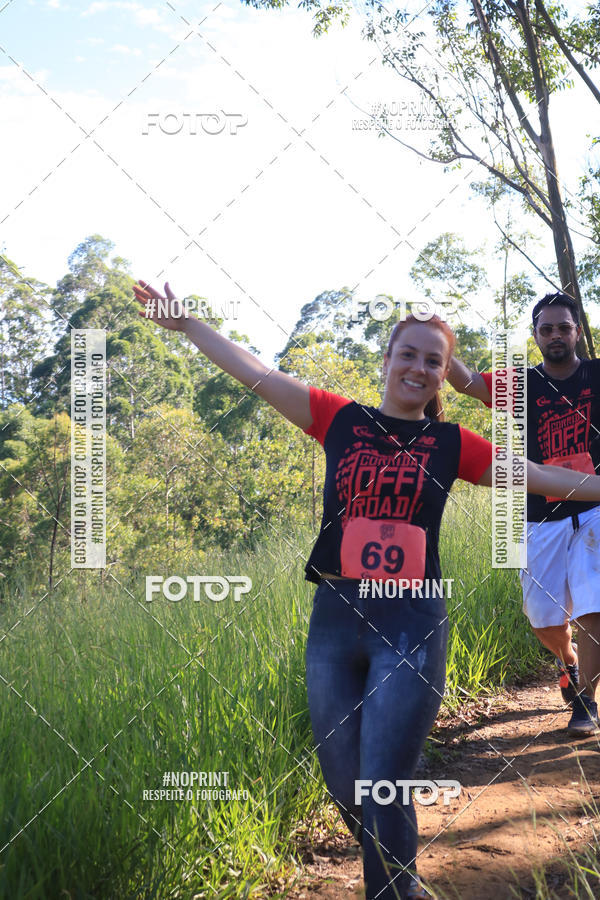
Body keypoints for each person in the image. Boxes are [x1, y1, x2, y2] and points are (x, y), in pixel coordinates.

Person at [132, 279, 600, 900]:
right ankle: (400, 881)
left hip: (411, 622)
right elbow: (257, 374)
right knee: (346, 783)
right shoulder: (339, 420)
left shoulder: (452, 443)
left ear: (442, 377)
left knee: (383, 780)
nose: (420, 367)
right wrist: (189, 325)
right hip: (335, 619)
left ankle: (395, 892)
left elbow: (541, 476)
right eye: (408, 353)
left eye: (434, 360)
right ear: (386, 361)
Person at [448, 291, 600, 737]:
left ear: (577, 330)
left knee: (594, 609)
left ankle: (586, 703)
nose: (556, 335)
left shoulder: (598, 373)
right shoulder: (524, 382)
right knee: (545, 620)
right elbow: (467, 383)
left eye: (564, 327)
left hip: (596, 510)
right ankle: (568, 662)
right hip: (540, 516)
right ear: (535, 336)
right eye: (546, 328)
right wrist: (442, 338)